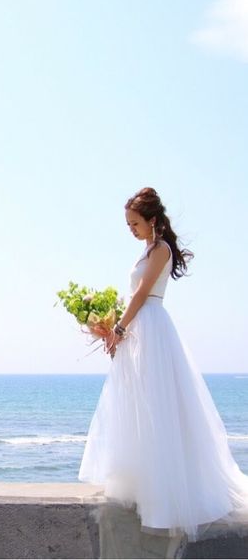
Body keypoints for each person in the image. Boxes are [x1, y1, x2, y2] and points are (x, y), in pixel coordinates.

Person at [78, 187, 248, 543]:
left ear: (152, 220)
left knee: (156, 405)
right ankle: (143, 485)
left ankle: (164, 493)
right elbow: (132, 296)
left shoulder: (161, 250)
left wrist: (118, 329)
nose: (131, 230)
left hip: (151, 328)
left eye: (135, 223)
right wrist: (113, 325)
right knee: (137, 405)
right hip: (138, 328)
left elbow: (142, 294)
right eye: (128, 225)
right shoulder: (146, 249)